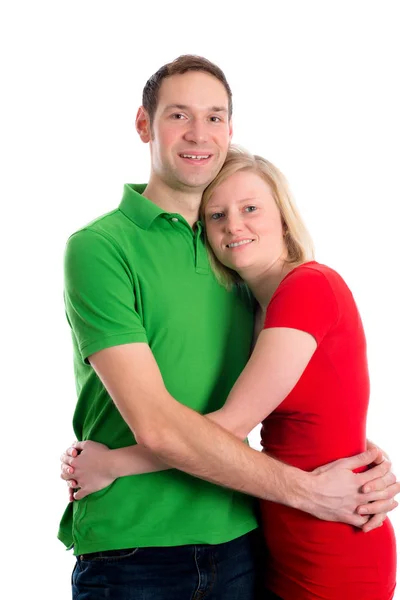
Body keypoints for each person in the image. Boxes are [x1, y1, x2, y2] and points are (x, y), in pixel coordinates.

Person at [59, 55, 399, 600]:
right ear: (144, 125)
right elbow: (162, 426)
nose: (199, 132)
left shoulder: (241, 272)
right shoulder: (101, 248)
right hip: (136, 548)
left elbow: (291, 399)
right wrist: (312, 489)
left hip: (243, 536)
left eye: (214, 116)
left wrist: (359, 453)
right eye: (178, 115)